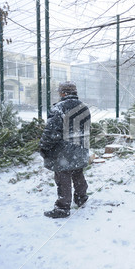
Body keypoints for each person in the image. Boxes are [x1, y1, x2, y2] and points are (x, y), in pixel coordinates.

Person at [40, 81, 91, 218]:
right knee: (77, 173)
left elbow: (52, 132)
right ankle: (81, 197)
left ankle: (62, 208)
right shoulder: (84, 107)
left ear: (63, 93)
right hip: (80, 148)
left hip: (63, 151)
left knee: (63, 177)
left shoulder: (59, 108)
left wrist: (44, 147)